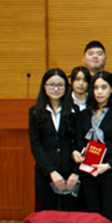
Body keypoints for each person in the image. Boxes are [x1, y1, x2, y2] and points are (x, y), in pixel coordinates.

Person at [72, 70, 112, 223]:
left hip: (111, 171)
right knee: (92, 214)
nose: (100, 92)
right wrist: (76, 153)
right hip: (88, 170)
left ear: (111, 89)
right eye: (96, 88)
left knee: (111, 215)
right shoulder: (83, 115)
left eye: (104, 87)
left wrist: (108, 165)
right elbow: (78, 142)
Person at [28, 68, 79, 210]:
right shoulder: (35, 112)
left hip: (69, 173)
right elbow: (35, 144)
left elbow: (78, 142)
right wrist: (51, 172)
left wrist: (75, 172)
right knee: (47, 215)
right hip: (46, 172)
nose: (56, 89)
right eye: (51, 85)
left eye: (60, 85)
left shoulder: (74, 110)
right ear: (44, 87)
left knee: (69, 216)